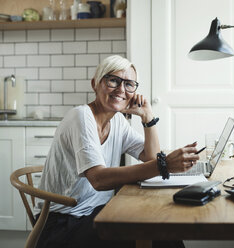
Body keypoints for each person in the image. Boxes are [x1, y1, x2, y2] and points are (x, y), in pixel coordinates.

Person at [35, 55, 199, 248]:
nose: (121, 90)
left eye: (129, 84)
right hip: (63, 223)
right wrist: (163, 164)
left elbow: (151, 157)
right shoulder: (81, 116)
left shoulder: (118, 121)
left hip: (98, 213)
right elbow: (98, 179)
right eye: (113, 80)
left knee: (162, 228)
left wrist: (148, 118)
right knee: (158, 234)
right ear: (95, 83)